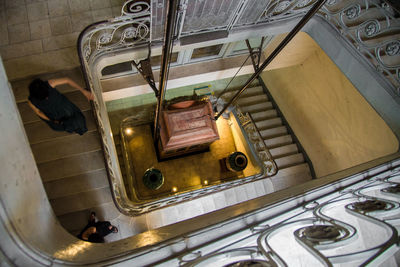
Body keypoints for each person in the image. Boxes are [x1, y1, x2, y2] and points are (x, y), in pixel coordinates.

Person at [28, 77, 93, 135]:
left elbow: (67, 80)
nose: (46, 98)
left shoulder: (49, 84)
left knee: (76, 121)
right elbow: (38, 112)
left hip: (64, 110)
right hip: (56, 114)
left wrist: (84, 91)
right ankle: (75, 128)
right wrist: (51, 120)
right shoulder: (31, 101)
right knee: (69, 123)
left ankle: (77, 128)